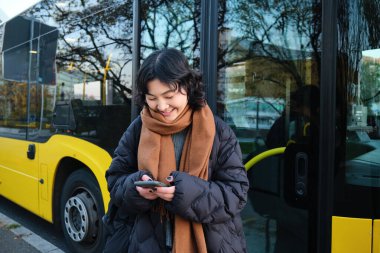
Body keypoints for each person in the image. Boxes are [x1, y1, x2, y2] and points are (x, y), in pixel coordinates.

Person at [104, 48, 249, 253]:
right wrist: (135, 189)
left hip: (209, 243)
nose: (162, 106)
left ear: (188, 86)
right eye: (152, 98)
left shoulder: (218, 132)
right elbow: (115, 179)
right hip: (142, 242)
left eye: (169, 95)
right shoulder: (137, 129)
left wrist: (184, 193)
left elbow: (236, 193)